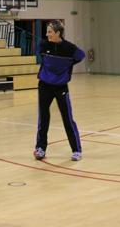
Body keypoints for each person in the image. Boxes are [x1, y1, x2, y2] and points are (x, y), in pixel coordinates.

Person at [33, 20, 85, 162]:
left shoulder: (70, 48)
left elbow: (81, 56)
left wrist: (68, 65)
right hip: (44, 86)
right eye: (47, 31)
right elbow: (41, 56)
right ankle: (40, 148)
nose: (47, 34)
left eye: (50, 31)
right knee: (43, 118)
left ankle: (76, 150)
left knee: (67, 118)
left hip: (61, 87)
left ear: (58, 33)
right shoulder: (43, 45)